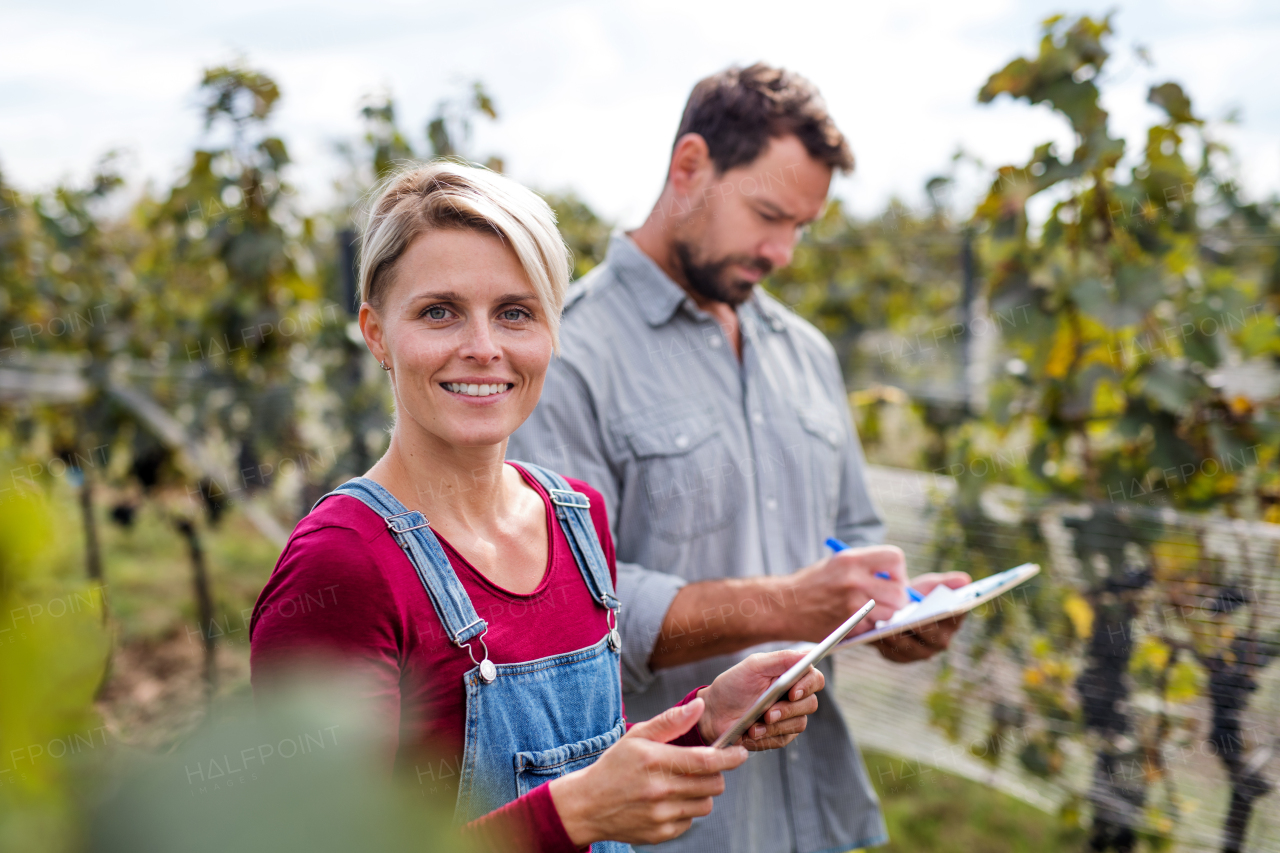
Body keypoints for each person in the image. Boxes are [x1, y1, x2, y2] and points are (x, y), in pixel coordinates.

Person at [249, 161, 831, 853]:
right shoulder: (341, 565)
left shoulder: (576, 519)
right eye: (439, 311)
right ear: (377, 333)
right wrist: (573, 816)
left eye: (516, 313)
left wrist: (705, 718)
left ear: (553, 333)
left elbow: (583, 759)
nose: (483, 348)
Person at [507, 63, 972, 852]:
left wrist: (892, 612)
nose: (784, 251)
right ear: (689, 168)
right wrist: (794, 602)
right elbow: (569, 613)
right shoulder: (567, 354)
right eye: (767, 214)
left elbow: (848, 544)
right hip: (676, 822)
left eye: (801, 226)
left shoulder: (807, 355)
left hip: (814, 814)